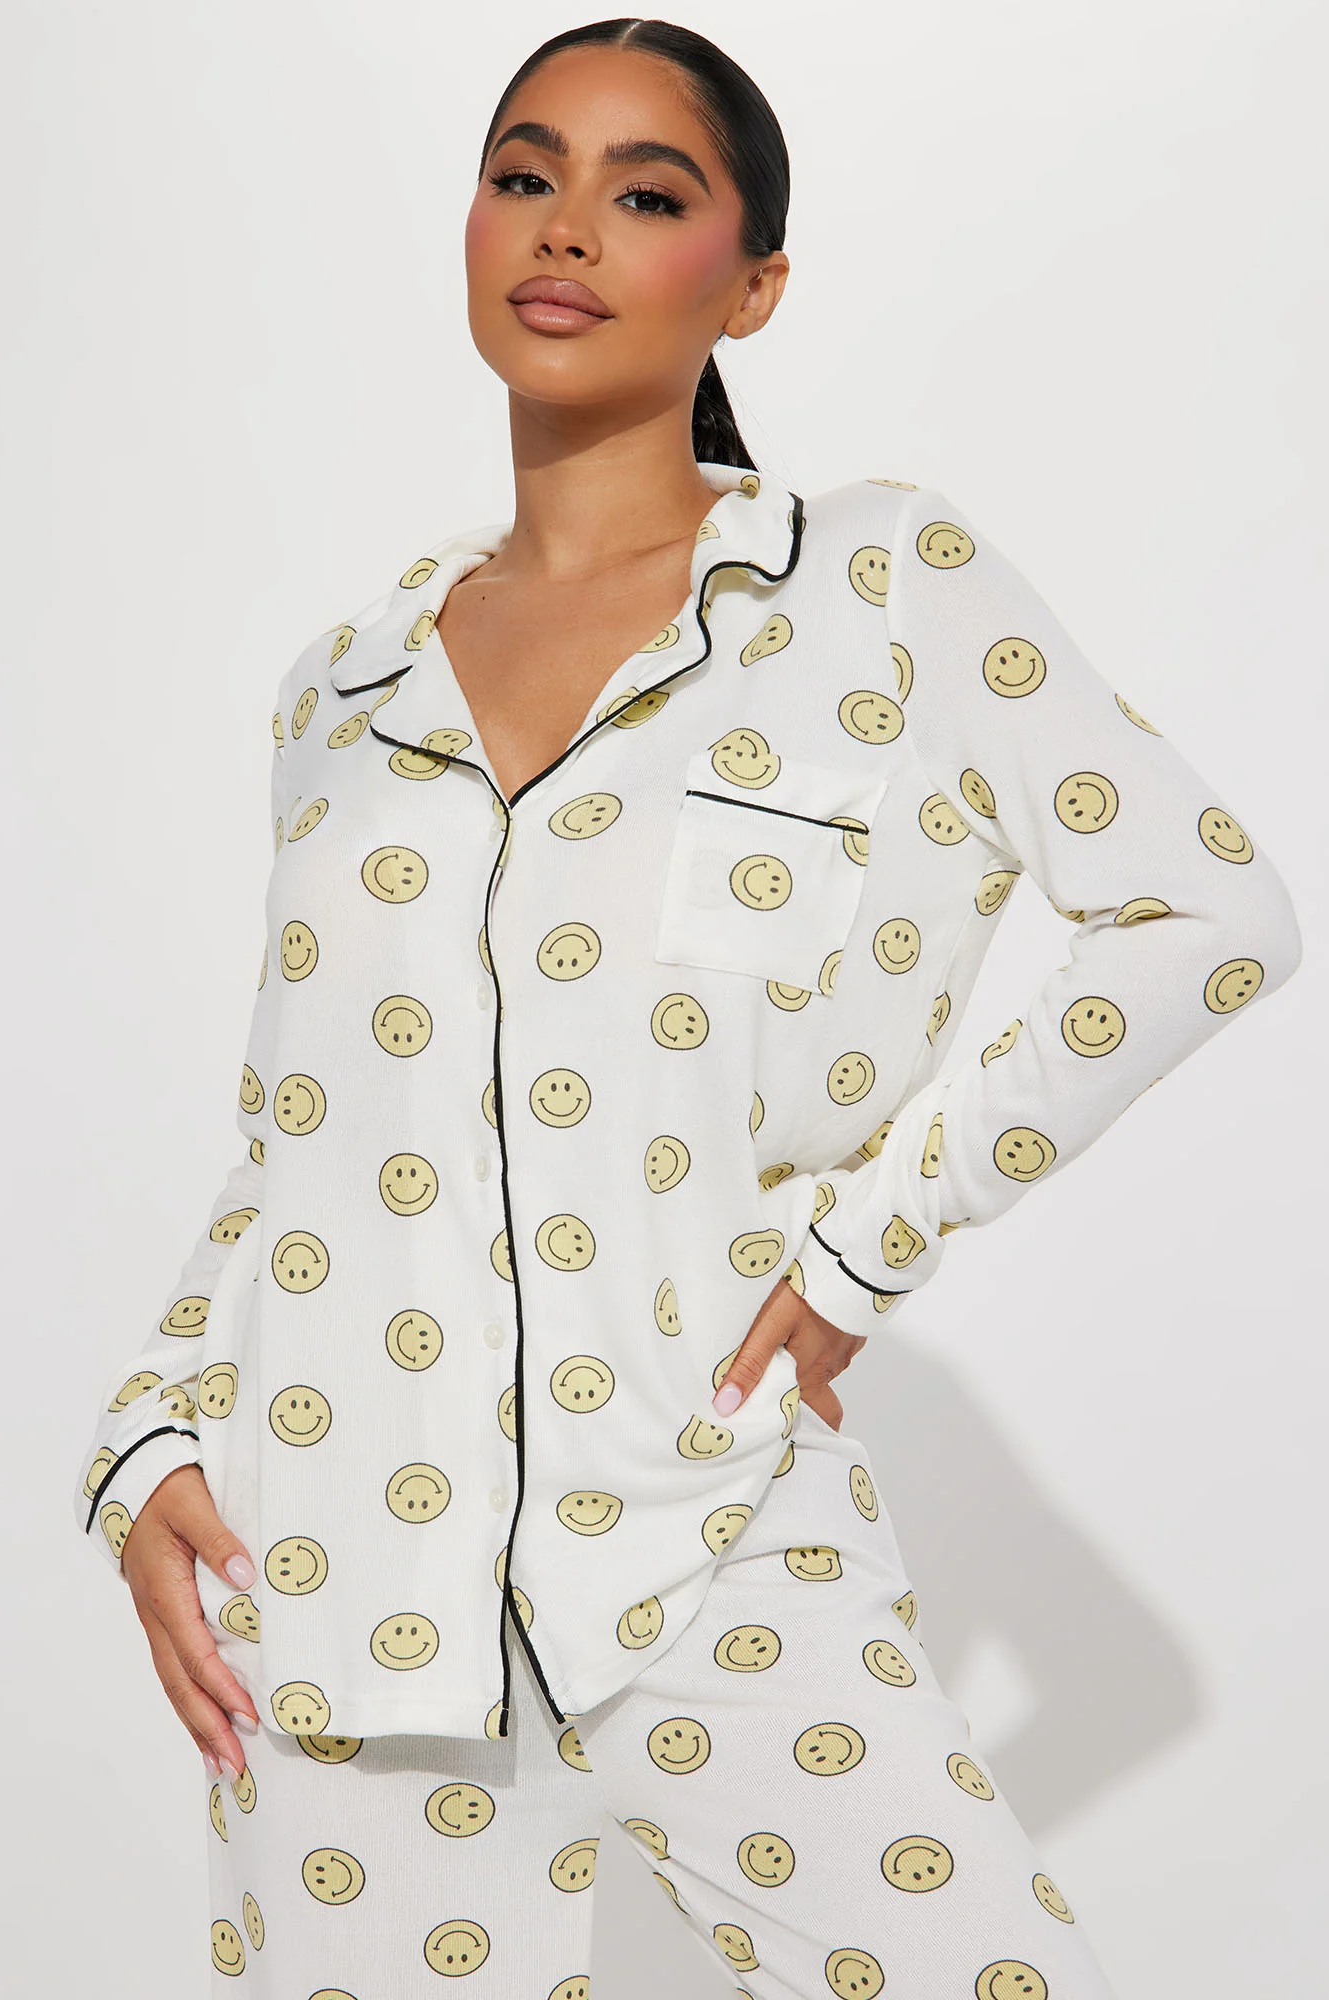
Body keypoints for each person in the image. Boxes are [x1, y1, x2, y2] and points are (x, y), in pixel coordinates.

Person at [73, 18, 1302, 1998]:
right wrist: (141, 1444)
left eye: (646, 195)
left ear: (754, 285)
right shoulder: (342, 691)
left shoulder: (879, 589)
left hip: (713, 1541)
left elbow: (1206, 912)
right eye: (524, 174)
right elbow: (296, 1149)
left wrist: (868, 1243)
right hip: (336, 1595)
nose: (565, 227)